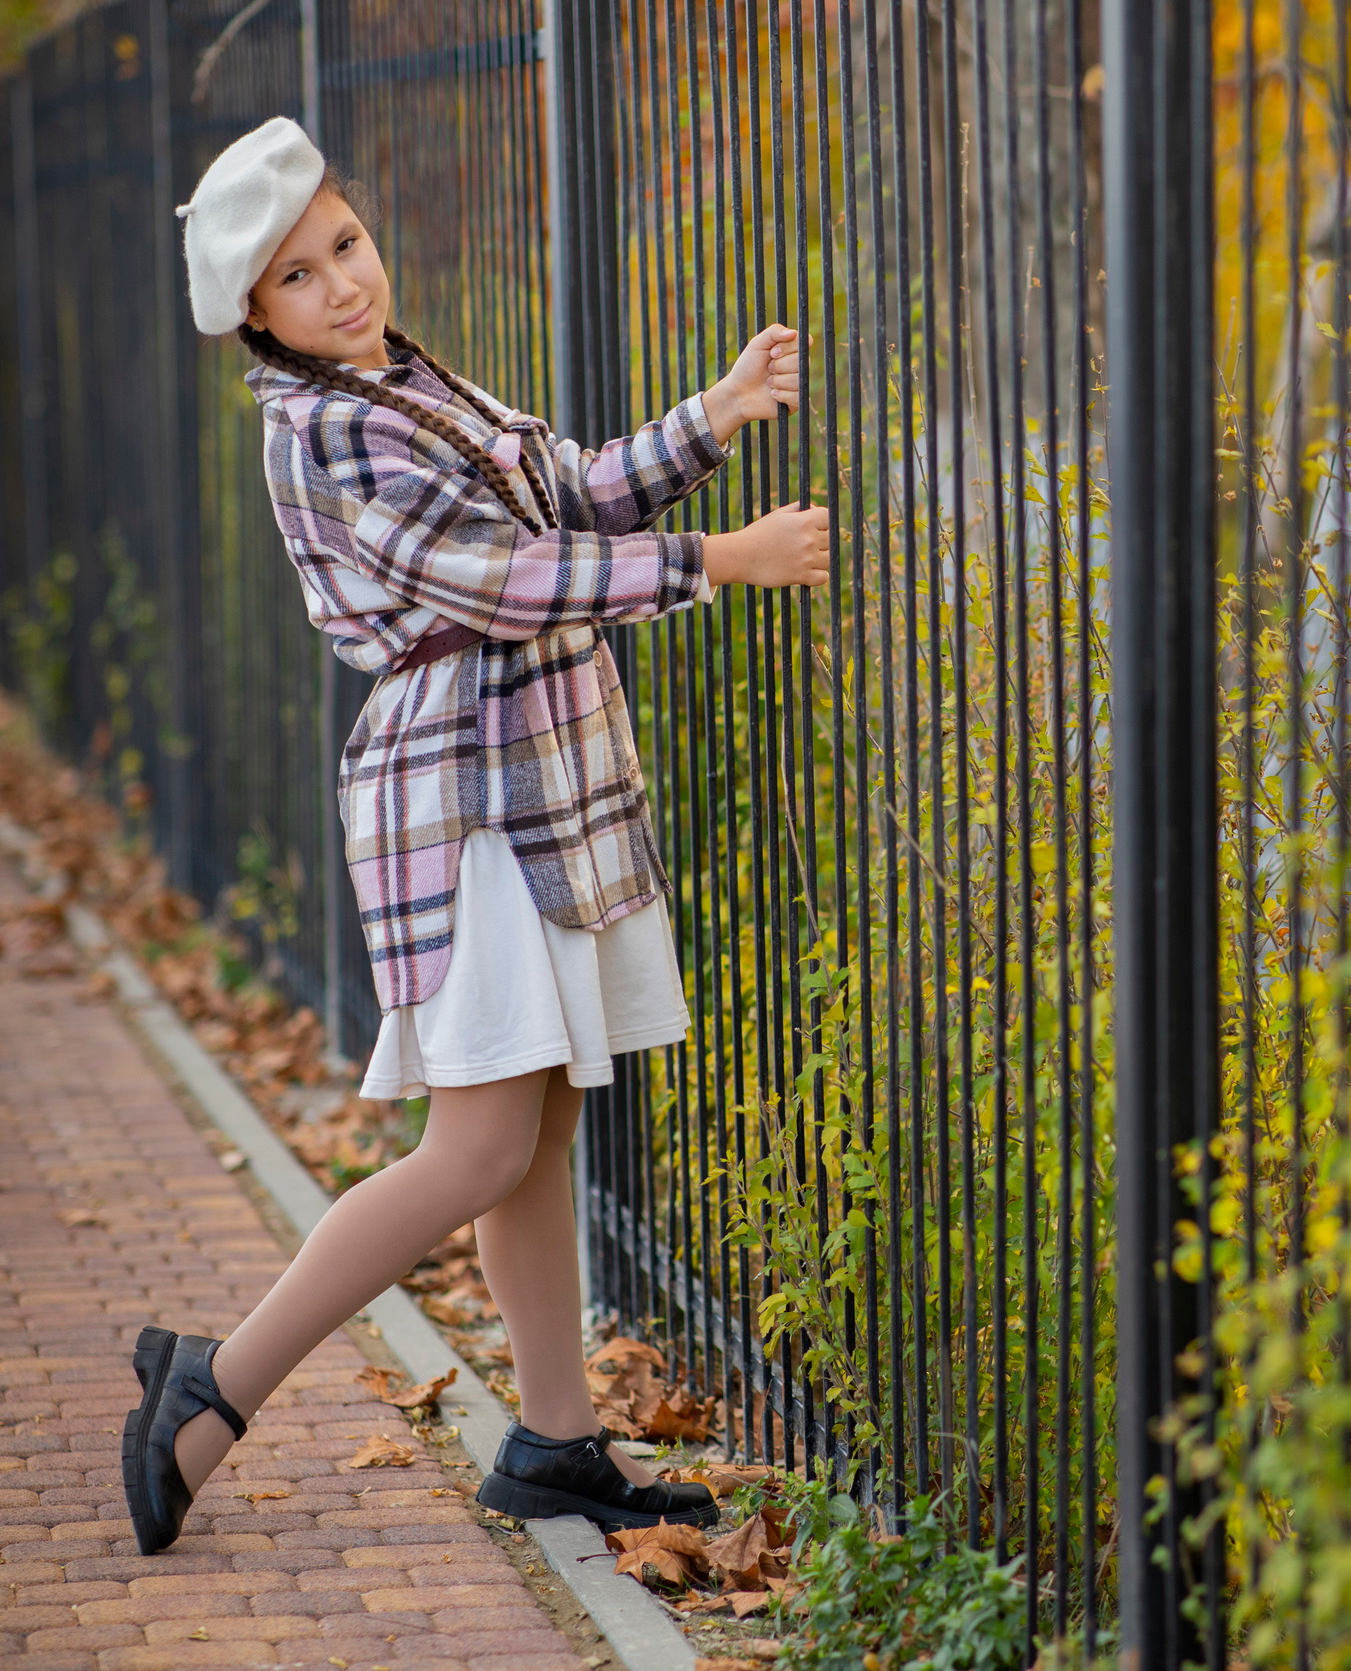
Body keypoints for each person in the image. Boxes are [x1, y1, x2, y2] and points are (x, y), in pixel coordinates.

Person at [122, 117, 827, 1555]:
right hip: (467, 799)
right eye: (299, 276)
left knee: (542, 1121)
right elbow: (499, 577)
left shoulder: (404, 379)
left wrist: (711, 417)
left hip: (540, 777)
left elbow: (559, 488)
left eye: (345, 242)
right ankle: (215, 1387)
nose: (341, 282)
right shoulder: (321, 425)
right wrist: (719, 562)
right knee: (477, 1145)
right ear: (254, 318)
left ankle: (557, 1438)